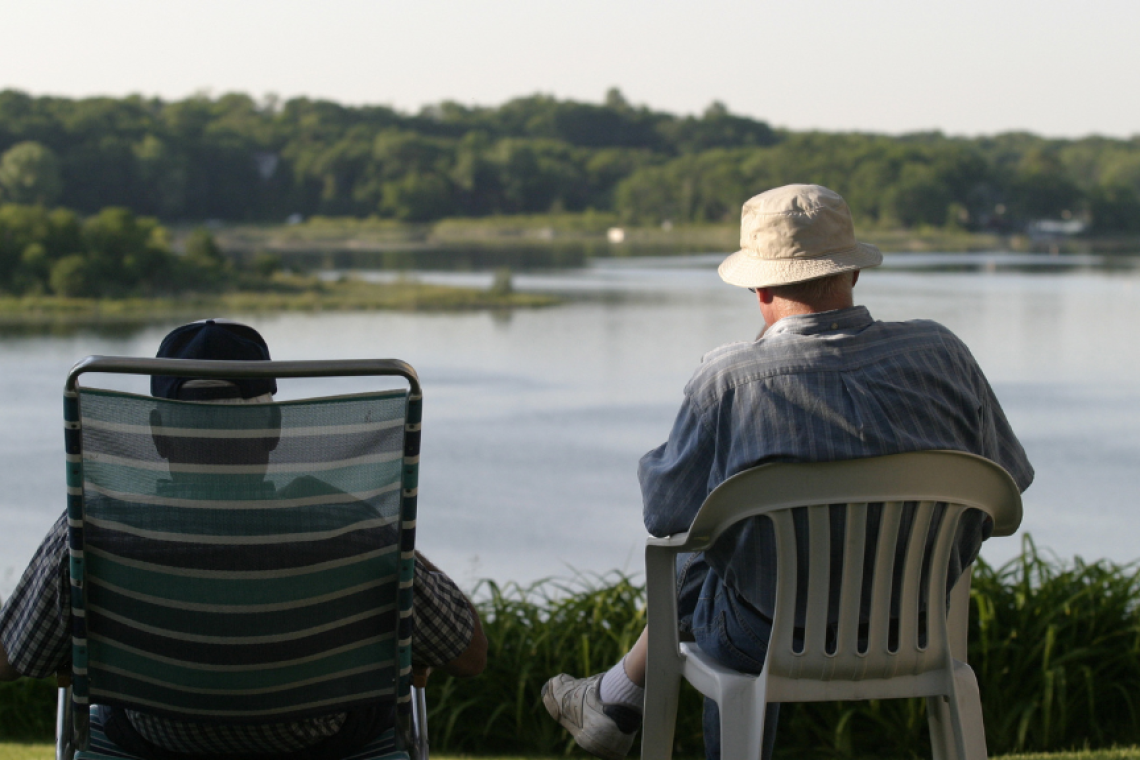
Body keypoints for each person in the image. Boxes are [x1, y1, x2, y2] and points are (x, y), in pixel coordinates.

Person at [542, 184, 1034, 760]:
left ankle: (616, 697)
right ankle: (612, 697)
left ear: (759, 285)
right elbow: (1009, 480)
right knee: (725, 550)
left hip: (768, 638)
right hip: (917, 627)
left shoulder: (729, 378)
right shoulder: (943, 351)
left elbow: (665, 511)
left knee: (711, 558)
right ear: (852, 274)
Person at [0, 319, 487, 759]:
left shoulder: (95, 528)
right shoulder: (348, 523)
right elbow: (469, 654)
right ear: (274, 427)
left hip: (148, 746)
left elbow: (10, 657)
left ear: (156, 432)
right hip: (330, 747)